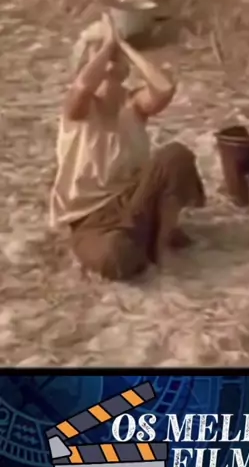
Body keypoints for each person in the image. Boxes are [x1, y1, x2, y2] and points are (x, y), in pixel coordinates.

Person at [50, 15, 205, 281]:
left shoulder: (132, 106)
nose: (110, 59)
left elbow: (165, 88)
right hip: (93, 220)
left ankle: (159, 244)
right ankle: (142, 242)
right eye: (101, 54)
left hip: (135, 200)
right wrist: (108, 46)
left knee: (176, 156)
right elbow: (84, 86)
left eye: (115, 56)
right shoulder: (79, 110)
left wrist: (124, 46)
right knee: (115, 256)